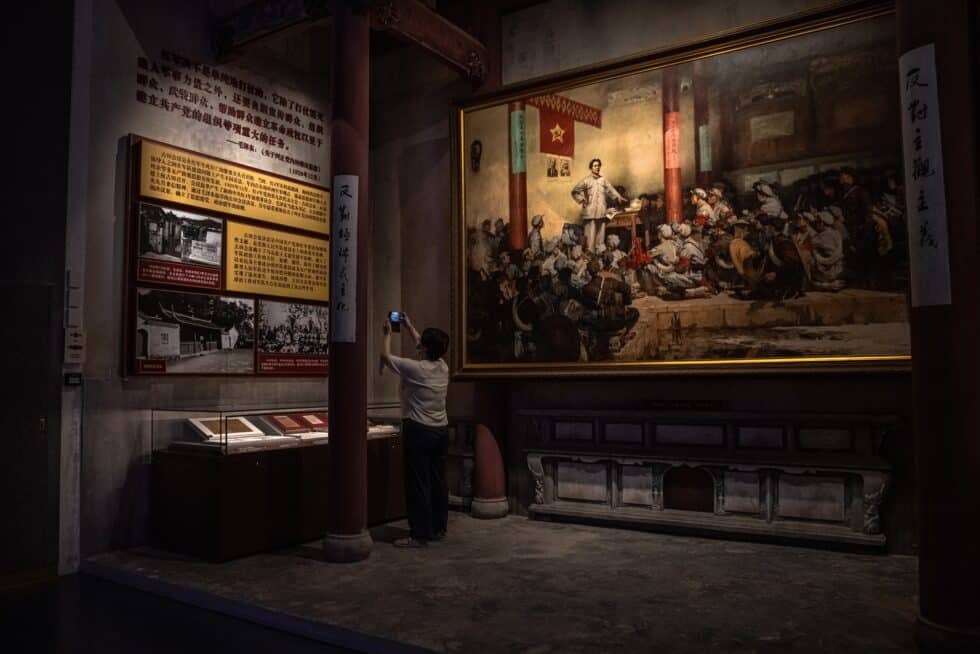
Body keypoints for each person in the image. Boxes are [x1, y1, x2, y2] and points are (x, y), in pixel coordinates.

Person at [380, 314, 450, 548]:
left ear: (424, 348)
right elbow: (423, 343)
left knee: (418, 482)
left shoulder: (414, 368)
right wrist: (410, 326)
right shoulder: (442, 367)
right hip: (441, 431)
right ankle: (438, 527)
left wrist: (388, 334)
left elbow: (386, 358)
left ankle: (419, 534)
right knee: (438, 481)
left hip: (419, 431)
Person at [571, 158, 627, 255]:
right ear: (591, 168)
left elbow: (611, 190)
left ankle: (599, 259)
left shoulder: (603, 180)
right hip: (590, 213)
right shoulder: (586, 181)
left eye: (598, 165)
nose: (597, 167)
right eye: (595, 166)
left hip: (601, 213)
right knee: (590, 239)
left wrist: (619, 197)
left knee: (600, 239)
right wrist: (582, 199)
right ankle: (590, 258)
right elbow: (575, 191)